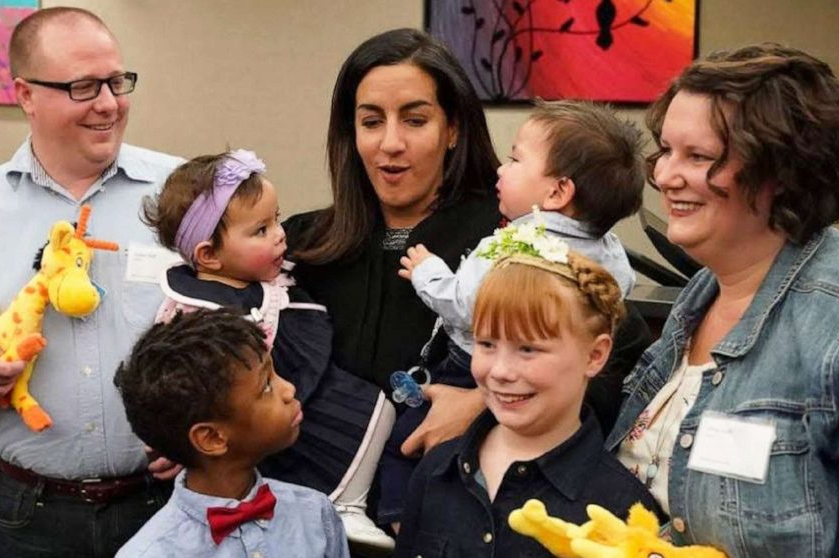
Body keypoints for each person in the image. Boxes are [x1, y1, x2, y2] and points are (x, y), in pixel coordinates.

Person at [605, 44, 839, 556]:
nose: (666, 177)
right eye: (666, 150)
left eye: (698, 157)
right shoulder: (705, 294)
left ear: (782, 169)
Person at [0, 7, 183, 557]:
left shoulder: (184, 196)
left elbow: (248, 316)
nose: (108, 103)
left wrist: (216, 423)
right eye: (82, 86)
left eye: (117, 81)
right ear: (26, 95)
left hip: (169, 505)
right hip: (32, 518)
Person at [383, 99, 644, 525]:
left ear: (558, 191)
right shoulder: (612, 255)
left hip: (468, 367)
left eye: (515, 159)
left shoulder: (509, 244)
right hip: (567, 404)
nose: (501, 171)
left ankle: (395, 519)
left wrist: (426, 271)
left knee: (404, 438)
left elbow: (464, 304)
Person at [142, 149, 396, 549]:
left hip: (295, 395)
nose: (280, 234)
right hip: (239, 426)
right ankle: (345, 505)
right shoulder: (193, 309)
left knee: (376, 408)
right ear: (209, 254)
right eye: (260, 230)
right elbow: (169, 383)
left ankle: (350, 503)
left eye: (276, 219)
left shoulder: (271, 282)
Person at [281, 28, 502, 481]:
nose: (390, 143)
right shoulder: (301, 244)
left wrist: (488, 404)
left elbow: (603, 366)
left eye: (415, 120)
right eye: (371, 121)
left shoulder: (504, 236)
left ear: (453, 129)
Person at [394, 236, 661, 557]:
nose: (502, 371)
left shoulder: (621, 511)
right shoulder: (436, 470)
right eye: (487, 344)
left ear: (595, 355)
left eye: (528, 349)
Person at [114, 308, 349, 558]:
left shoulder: (315, 512)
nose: (289, 389)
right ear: (212, 438)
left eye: (275, 372)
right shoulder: (151, 553)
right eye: (267, 385)